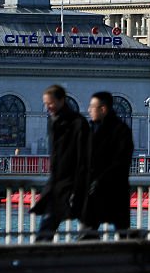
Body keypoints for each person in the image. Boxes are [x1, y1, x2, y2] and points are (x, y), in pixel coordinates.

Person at [31, 85, 88, 241]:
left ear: (61, 100)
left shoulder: (77, 123)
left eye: (50, 103)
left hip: (70, 183)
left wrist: (78, 185)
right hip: (58, 182)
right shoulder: (54, 120)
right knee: (48, 225)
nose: (47, 107)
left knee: (48, 225)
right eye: (45, 103)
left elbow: (83, 156)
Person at [79, 91, 135, 238]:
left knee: (118, 235)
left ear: (103, 109)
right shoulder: (93, 129)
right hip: (99, 192)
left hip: (112, 190)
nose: (89, 110)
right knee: (89, 234)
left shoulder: (119, 131)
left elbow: (121, 161)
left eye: (92, 106)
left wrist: (98, 180)